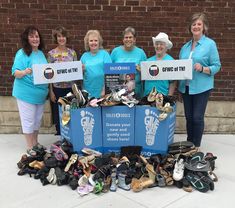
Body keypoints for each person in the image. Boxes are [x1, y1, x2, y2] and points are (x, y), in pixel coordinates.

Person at [178, 13, 221, 149]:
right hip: (186, 87)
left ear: (204, 27)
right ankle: (189, 144)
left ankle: (196, 146)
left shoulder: (210, 44)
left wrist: (203, 68)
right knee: (189, 118)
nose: (196, 26)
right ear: (190, 27)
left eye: (199, 24)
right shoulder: (185, 47)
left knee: (197, 117)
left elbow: (217, 66)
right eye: (193, 24)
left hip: (202, 87)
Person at [12, 26, 48, 155]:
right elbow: (15, 72)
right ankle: (30, 146)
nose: (35, 39)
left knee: (37, 121)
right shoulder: (22, 53)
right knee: (28, 120)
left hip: (40, 94)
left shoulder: (41, 53)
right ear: (27, 38)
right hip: (26, 92)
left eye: (37, 36)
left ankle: (36, 143)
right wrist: (25, 72)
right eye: (32, 36)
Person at [47, 26, 78, 135]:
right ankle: (60, 135)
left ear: (66, 38)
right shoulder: (51, 54)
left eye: (63, 36)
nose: (61, 38)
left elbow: (76, 72)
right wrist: (51, 91)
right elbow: (48, 74)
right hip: (57, 89)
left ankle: (69, 135)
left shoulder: (72, 53)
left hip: (70, 88)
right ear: (56, 38)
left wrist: (75, 90)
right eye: (59, 36)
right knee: (58, 112)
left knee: (69, 112)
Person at [111, 27, 147, 99]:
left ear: (134, 39)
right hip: (118, 92)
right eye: (126, 37)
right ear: (123, 39)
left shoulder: (141, 53)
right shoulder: (115, 52)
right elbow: (109, 71)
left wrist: (140, 70)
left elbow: (147, 73)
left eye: (130, 37)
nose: (128, 39)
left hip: (136, 92)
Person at [81, 30, 112, 98]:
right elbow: (80, 75)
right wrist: (81, 70)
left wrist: (104, 90)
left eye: (96, 40)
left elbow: (109, 74)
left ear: (99, 42)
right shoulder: (84, 56)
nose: (93, 43)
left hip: (101, 91)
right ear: (87, 43)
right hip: (87, 91)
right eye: (91, 41)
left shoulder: (105, 54)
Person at [144, 32, 176, 96]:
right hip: (148, 95)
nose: (158, 46)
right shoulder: (148, 61)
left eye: (161, 44)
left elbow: (173, 82)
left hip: (163, 95)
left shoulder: (171, 61)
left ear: (166, 46)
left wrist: (170, 95)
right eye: (157, 44)